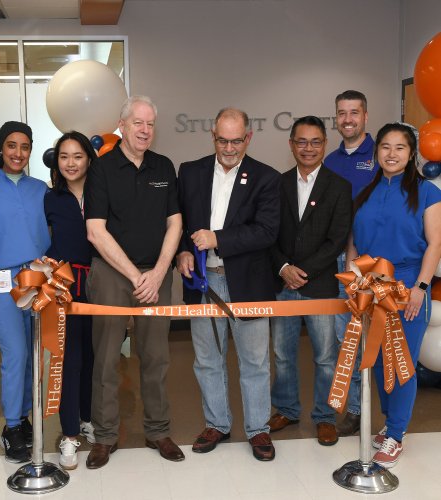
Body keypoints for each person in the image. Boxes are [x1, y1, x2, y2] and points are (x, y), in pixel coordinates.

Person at [84, 95, 184, 469]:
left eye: (150, 124)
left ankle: (158, 431)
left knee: (156, 357)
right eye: (137, 123)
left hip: (156, 274)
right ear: (121, 125)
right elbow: (95, 231)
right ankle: (105, 436)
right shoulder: (103, 169)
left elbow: (175, 223)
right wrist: (135, 275)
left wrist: (158, 273)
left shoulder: (164, 166)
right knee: (107, 358)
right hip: (112, 274)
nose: (144, 130)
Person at [176, 107, 280, 461]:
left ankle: (258, 430)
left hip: (247, 282)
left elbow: (266, 231)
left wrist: (215, 238)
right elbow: (177, 222)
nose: (230, 147)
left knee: (254, 361)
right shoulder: (190, 172)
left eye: (237, 140)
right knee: (206, 359)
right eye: (224, 140)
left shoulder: (267, 178)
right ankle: (217, 423)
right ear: (213, 136)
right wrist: (182, 253)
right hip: (203, 282)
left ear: (248, 138)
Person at [347, 122, 441, 467]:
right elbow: (354, 244)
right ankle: (388, 423)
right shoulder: (365, 192)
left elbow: (436, 243)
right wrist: (354, 278)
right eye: (385, 147)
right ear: (377, 152)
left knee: (402, 363)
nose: (391, 154)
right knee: (377, 360)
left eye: (399, 147)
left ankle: (396, 435)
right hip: (370, 287)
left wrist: (421, 287)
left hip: (408, 286)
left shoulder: (428, 192)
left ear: (411, 152)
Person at [269, 116, 352, 446]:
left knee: (325, 356)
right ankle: (287, 409)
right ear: (291, 144)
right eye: (301, 141)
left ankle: (325, 416)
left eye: (315, 142)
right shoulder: (277, 184)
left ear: (325, 145)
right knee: (282, 354)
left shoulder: (339, 187)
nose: (308, 148)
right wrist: (284, 268)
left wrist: (301, 272)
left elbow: (337, 240)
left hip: (319, 285)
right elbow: (268, 233)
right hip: (283, 284)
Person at [0, 121, 50, 463]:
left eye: (24, 146)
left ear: (31, 150)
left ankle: (25, 417)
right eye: (11, 146)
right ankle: (13, 425)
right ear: (1, 148)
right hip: (2, 283)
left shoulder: (42, 190)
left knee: (34, 355)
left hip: (38, 283)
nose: (17, 153)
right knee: (16, 354)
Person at [324, 90, 379, 436]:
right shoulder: (329, 161)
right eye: (341, 113)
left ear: (365, 117)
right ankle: (356, 409)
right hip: (341, 267)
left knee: (378, 341)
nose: (347, 119)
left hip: (377, 268)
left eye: (354, 113)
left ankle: (380, 412)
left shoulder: (381, 155)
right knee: (345, 340)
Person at [44, 131, 97, 470]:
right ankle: (69, 432)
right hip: (65, 286)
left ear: (89, 159)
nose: (71, 163)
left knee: (96, 355)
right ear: (56, 161)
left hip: (104, 284)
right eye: (64, 156)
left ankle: (89, 417)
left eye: (77, 156)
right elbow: (42, 242)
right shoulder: (50, 199)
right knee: (70, 358)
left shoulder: (103, 195)